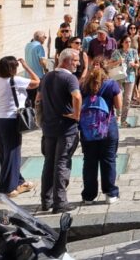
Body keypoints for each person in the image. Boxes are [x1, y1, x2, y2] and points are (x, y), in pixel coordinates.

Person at [37, 48, 82, 214]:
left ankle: (46, 200)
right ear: (67, 61)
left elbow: (38, 99)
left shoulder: (46, 77)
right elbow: (77, 96)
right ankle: (60, 203)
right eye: (75, 60)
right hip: (66, 128)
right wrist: (76, 115)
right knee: (62, 163)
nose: (78, 64)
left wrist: (42, 118)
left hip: (49, 127)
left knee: (49, 163)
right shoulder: (70, 78)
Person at [0, 56, 40, 196]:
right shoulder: (16, 80)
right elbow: (37, 82)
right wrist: (26, 66)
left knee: (5, 153)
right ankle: (7, 188)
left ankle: (18, 181)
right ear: (12, 68)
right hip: (10, 120)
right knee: (13, 153)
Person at [79, 65, 122, 204]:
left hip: (88, 127)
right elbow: (118, 105)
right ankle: (110, 194)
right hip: (107, 126)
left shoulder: (82, 86)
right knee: (108, 159)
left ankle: (88, 196)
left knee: (89, 161)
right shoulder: (111, 85)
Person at [111, 35, 138, 128]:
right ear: (122, 43)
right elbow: (110, 64)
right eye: (126, 42)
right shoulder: (117, 52)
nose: (128, 44)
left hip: (130, 77)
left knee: (127, 99)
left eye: (129, 42)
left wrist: (134, 65)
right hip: (119, 77)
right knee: (119, 97)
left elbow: (138, 64)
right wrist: (118, 61)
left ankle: (123, 120)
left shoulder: (134, 52)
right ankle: (118, 117)